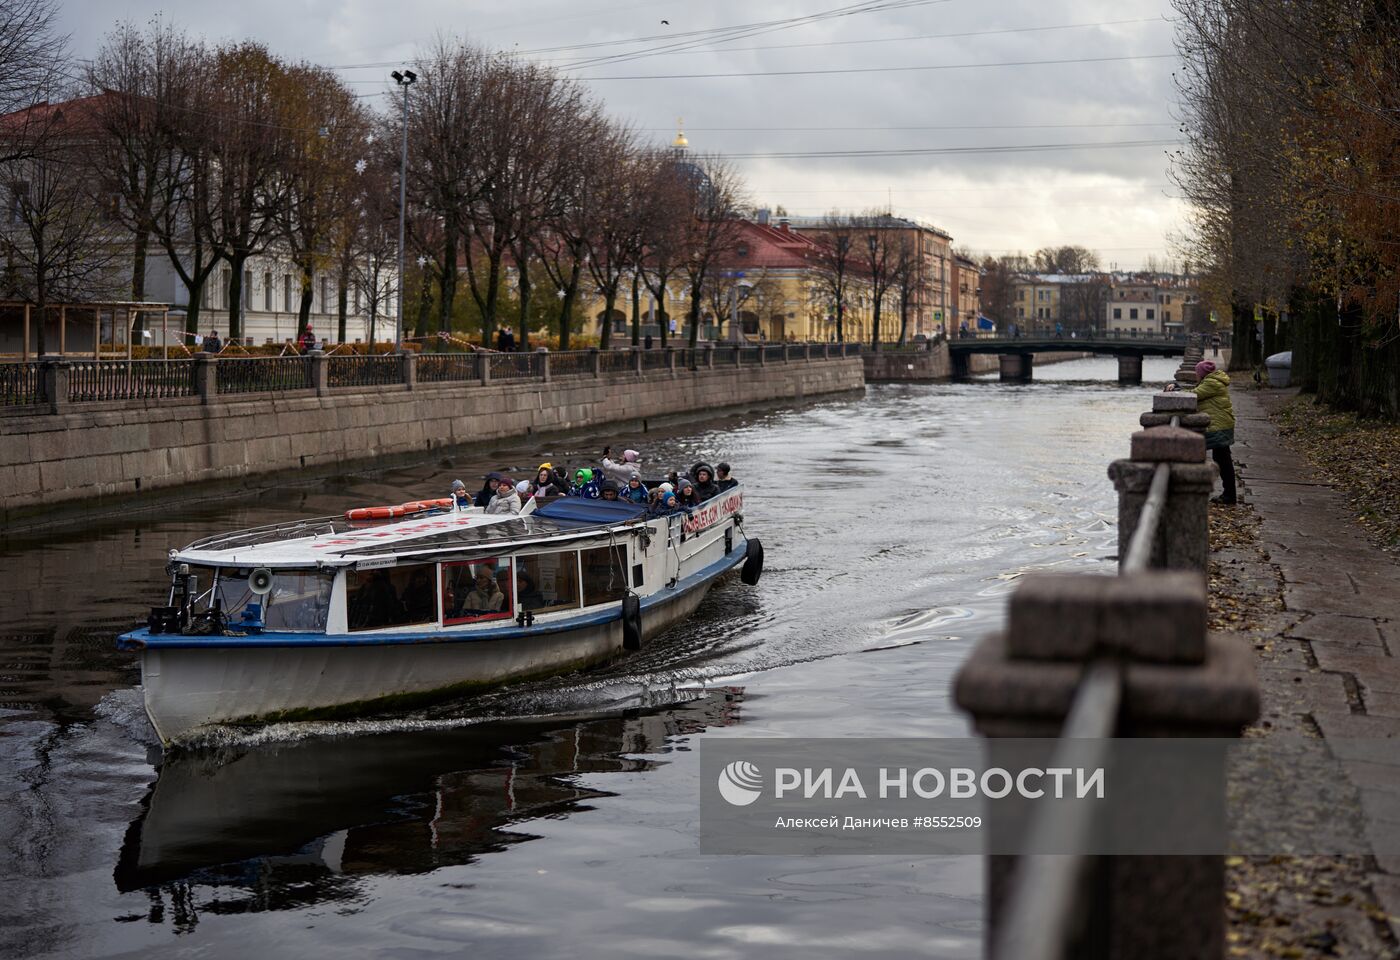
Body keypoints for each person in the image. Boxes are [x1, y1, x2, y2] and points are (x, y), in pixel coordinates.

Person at [1170, 359, 1237, 505]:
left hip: (1218, 426)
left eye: (1197, 373)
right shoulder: (1212, 381)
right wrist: (1179, 388)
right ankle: (1228, 494)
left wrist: (1176, 390)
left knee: (1220, 460)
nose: (1196, 375)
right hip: (1221, 424)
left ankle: (1228, 495)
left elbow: (1194, 395)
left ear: (1202, 373)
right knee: (1222, 459)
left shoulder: (1211, 383)